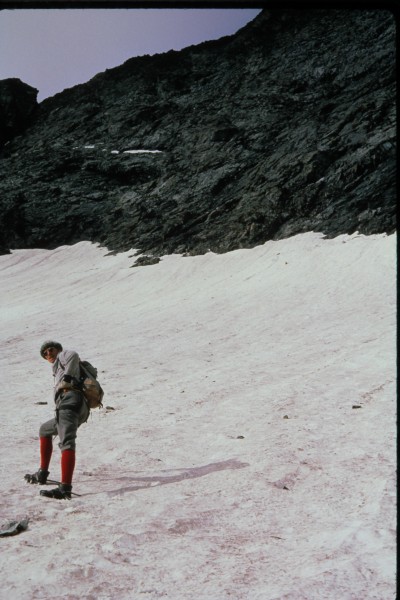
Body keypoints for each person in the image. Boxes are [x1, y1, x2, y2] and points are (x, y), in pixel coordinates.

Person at [25, 341, 89, 499]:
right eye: (44, 353)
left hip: (70, 400)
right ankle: (42, 473)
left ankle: (65, 488)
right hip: (73, 405)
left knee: (66, 441)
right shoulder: (58, 366)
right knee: (45, 430)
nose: (48, 354)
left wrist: (67, 377)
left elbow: (73, 354)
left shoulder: (64, 354)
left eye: (50, 350)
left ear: (58, 349)